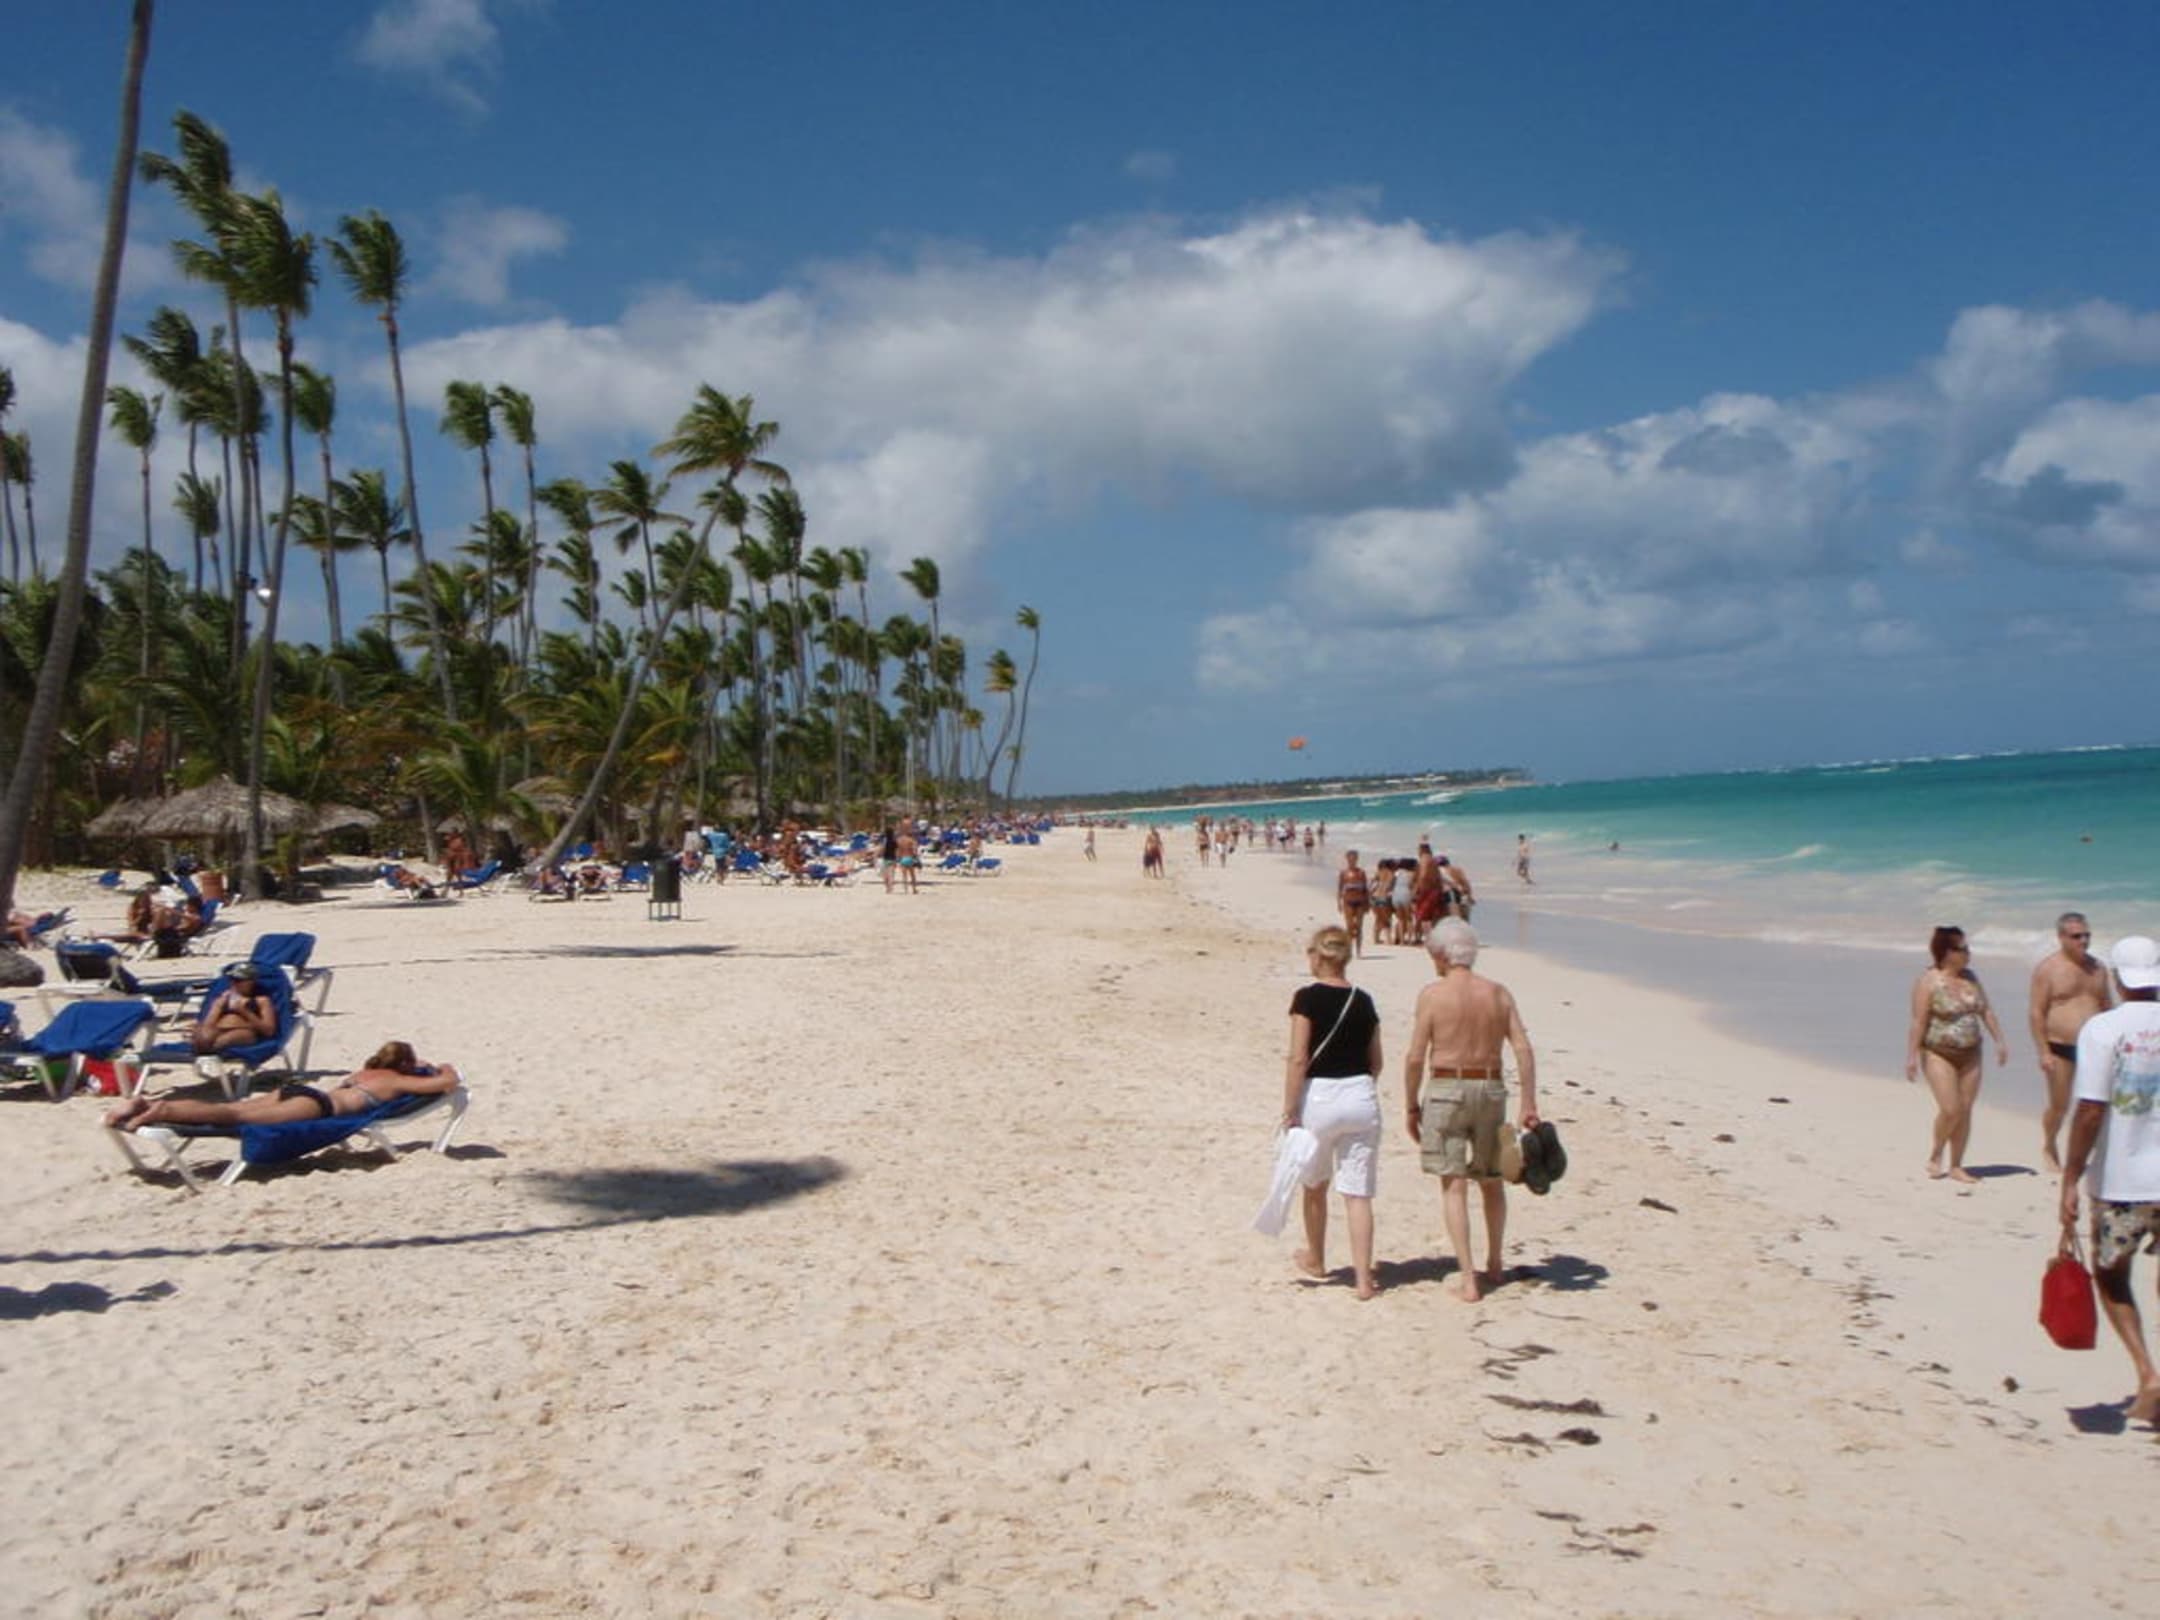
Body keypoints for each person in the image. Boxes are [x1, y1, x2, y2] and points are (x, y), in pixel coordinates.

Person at [1403, 919, 1539, 1302]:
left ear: (1441, 954)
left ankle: (1468, 1278)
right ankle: (1494, 1262)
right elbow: (1523, 1048)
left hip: (1447, 1085)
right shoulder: (1497, 993)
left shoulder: (1433, 995)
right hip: (1490, 1086)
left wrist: (1411, 1103)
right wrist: (1529, 1102)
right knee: (1491, 1179)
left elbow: (1415, 1057)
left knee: (1454, 1182)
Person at [2060, 936, 2160, 1423]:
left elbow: (2090, 1110)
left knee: (2112, 1275)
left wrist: (2070, 1175)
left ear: (2117, 978)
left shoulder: (2103, 1029)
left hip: (2123, 1182)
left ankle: (2147, 1371)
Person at [1281, 926, 1384, 1300]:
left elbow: (1298, 1057)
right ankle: (1364, 1280)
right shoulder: (1364, 1000)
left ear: (1318, 956)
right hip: (1360, 1093)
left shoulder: (1306, 999)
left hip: (1320, 1097)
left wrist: (1289, 1108)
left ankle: (1317, 1257)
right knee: (1358, 1194)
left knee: (1314, 1185)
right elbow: (1376, 1060)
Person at [108, 1041, 462, 1132]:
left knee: (233, 1109)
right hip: (317, 1107)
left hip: (300, 1092)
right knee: (233, 1117)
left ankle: (142, 1105)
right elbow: (449, 1081)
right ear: (405, 1064)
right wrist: (439, 1066)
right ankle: (162, 1110)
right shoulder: (397, 1079)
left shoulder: (364, 1072)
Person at [1905, 925, 2009, 1183]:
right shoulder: (1928, 981)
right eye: (1962, 948)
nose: (1968, 952)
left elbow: (1986, 1011)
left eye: (1967, 947)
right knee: (1951, 1108)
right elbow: (1918, 1021)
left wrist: (2000, 1040)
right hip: (1938, 1052)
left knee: (1965, 1109)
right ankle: (1936, 1152)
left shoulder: (1971, 978)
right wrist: (1911, 1057)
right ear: (1946, 952)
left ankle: (1956, 1165)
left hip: (1971, 1054)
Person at [2030, 911, 2115, 1172]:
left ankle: (2094, 1152)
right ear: (2061, 937)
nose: (2084, 941)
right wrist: (2043, 1051)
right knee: (2059, 1105)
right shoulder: (2048, 969)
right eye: (2077, 936)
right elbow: (2036, 1012)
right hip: (2060, 1047)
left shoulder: (2098, 968)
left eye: (2087, 935)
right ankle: (2049, 1144)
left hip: (2095, 1047)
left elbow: (2106, 1005)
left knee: (2097, 1103)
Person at [188, 962, 278, 1055]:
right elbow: (208, 1024)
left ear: (251, 981)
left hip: (245, 1031)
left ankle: (210, 1052)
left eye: (238, 980)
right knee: (202, 1039)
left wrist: (244, 1011)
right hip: (219, 1029)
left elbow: (269, 1031)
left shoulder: (261, 1001)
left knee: (220, 1043)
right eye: (231, 979)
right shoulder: (224, 998)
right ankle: (206, 1050)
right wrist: (219, 1006)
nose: (233, 983)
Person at [1336, 850, 1370, 956]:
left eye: (1354, 859)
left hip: (1360, 901)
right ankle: (1349, 949)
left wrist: (1367, 903)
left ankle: (1358, 950)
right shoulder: (1343, 873)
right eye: (1350, 859)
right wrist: (1338, 902)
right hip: (1348, 901)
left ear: (1357, 859)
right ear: (1347, 859)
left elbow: (1366, 889)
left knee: (1359, 926)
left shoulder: (1361, 873)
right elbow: (1340, 888)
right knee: (1349, 926)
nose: (1352, 861)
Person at [895, 824, 921, 893]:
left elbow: (897, 851)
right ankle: (914, 889)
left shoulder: (899, 840)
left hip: (902, 859)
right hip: (910, 858)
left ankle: (905, 889)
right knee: (912, 875)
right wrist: (916, 858)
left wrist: (898, 859)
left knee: (904, 876)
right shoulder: (912, 840)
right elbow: (915, 851)